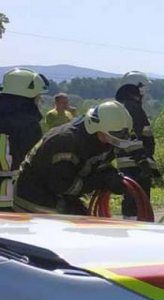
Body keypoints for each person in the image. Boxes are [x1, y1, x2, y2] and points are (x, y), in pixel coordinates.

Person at [13, 101, 137, 215]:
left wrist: (109, 173)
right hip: (33, 197)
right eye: (111, 137)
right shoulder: (65, 142)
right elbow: (63, 185)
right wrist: (99, 181)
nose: (112, 142)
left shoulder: (101, 139)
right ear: (95, 127)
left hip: (58, 194)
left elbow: (95, 162)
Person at [0, 67, 49, 210]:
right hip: (10, 197)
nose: (39, 100)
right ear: (28, 96)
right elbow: (35, 164)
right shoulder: (29, 126)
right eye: (37, 96)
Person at [115, 71, 161, 219]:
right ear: (137, 88)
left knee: (133, 202)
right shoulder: (133, 108)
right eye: (144, 88)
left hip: (131, 164)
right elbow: (133, 138)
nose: (145, 92)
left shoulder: (126, 107)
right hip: (136, 165)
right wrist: (143, 163)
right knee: (137, 203)